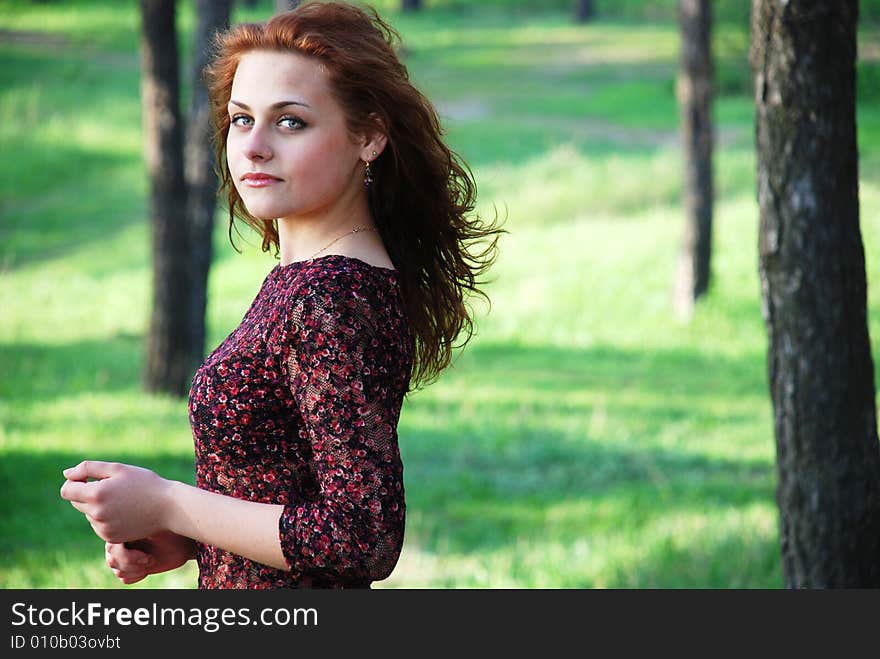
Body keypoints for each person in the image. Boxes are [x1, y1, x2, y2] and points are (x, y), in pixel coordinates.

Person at [59, 1, 502, 589]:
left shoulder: (330, 296)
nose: (254, 146)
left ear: (368, 135)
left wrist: (169, 503)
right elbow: (292, 486)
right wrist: (192, 540)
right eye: (241, 119)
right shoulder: (314, 280)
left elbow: (360, 536)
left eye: (289, 121)